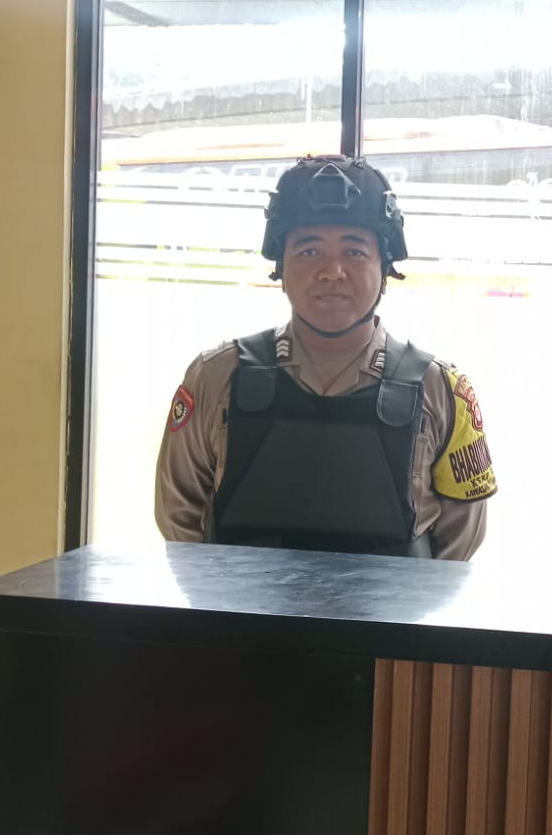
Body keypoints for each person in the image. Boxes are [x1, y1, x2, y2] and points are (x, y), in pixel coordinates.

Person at [155, 155, 495, 558]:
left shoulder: (441, 391)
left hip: (395, 604)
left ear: (385, 265)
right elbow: (180, 520)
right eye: (309, 251)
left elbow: (459, 545)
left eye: (354, 252)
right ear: (280, 266)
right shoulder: (214, 378)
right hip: (239, 602)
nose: (332, 271)